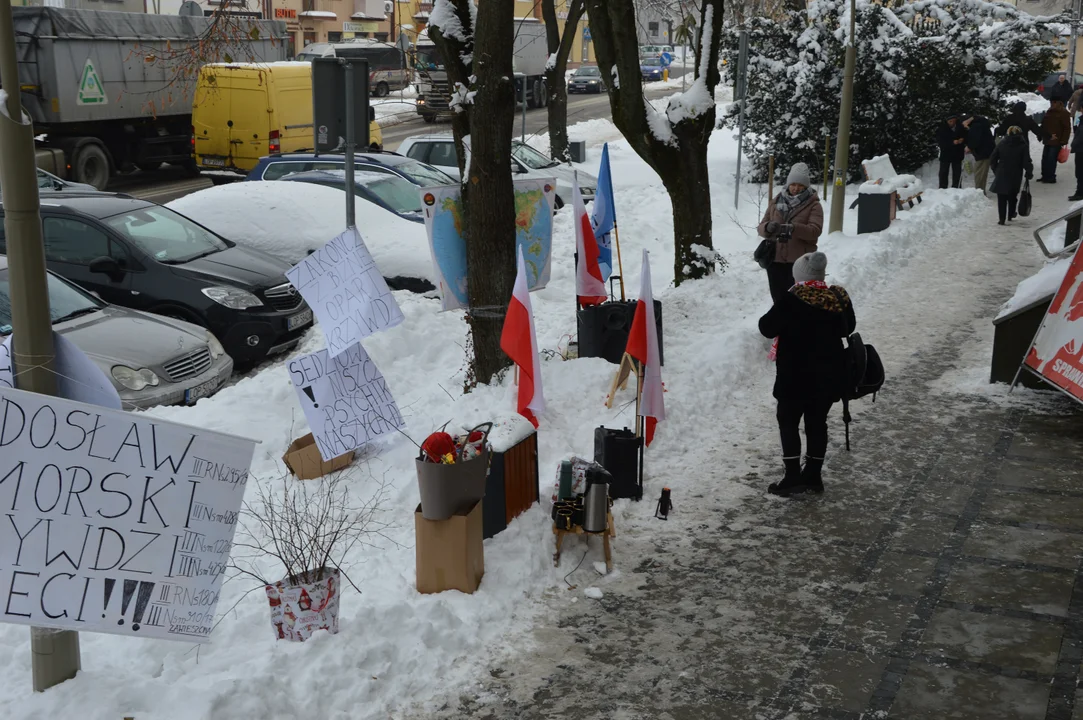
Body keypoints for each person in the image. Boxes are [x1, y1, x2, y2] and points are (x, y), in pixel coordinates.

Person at [758, 251, 856, 497]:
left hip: (795, 375)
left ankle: (792, 477)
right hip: (829, 374)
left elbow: (766, 327)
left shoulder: (792, 299)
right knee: (816, 423)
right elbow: (850, 326)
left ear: (799, 276)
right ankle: (813, 475)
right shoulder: (837, 297)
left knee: (788, 421)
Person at [757, 162, 824, 303]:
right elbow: (761, 226)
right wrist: (768, 227)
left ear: (806, 186)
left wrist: (794, 228)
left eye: (800, 185)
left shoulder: (814, 205)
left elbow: (815, 231)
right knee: (778, 299)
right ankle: (781, 325)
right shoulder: (776, 202)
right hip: (775, 260)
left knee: (798, 300)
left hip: (800, 263)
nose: (795, 188)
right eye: (793, 184)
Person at [989, 126, 1033, 225]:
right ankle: (1011, 214)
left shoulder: (1002, 143)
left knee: (1001, 197)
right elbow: (1026, 161)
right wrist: (1029, 172)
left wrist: (996, 170)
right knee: (1012, 195)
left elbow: (993, 158)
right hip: (1015, 173)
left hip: (1002, 172)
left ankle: (1002, 219)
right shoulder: (1023, 145)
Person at [962, 114, 995, 194]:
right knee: (981, 173)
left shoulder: (976, 126)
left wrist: (969, 147)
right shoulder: (980, 124)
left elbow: (975, 139)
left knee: (979, 173)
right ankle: (980, 190)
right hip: (986, 151)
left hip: (983, 152)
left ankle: (979, 192)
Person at [1040, 99, 1071, 183]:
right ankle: (1044, 175)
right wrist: (1041, 134)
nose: (1052, 104)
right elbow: (1043, 123)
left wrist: (1064, 140)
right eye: (1051, 102)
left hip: (1057, 141)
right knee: (1045, 158)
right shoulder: (1049, 111)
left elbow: (1067, 128)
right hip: (1047, 139)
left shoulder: (1063, 113)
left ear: (1058, 103)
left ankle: (1050, 177)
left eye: (1054, 102)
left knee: (1051, 159)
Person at [937, 115, 966, 189]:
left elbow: (965, 136)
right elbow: (941, 142)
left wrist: (962, 140)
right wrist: (952, 142)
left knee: (957, 172)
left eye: (953, 121)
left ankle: (957, 187)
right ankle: (942, 188)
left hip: (957, 153)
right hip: (946, 153)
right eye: (950, 121)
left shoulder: (960, 127)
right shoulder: (942, 129)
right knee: (943, 172)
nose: (952, 123)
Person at [1071, 121, 1083, 202]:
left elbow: (1080, 137)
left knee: (1080, 173)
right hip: (1080, 150)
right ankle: (1079, 191)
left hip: (1081, 150)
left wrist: (1073, 144)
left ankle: (1080, 193)